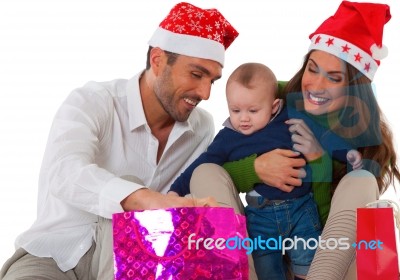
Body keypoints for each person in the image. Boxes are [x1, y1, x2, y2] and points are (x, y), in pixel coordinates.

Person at [0, 2, 239, 280]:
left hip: (134, 264)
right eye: (196, 75)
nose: (205, 93)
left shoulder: (200, 128)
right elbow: (63, 172)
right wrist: (144, 199)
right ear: (158, 60)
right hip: (53, 254)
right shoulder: (94, 101)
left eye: (213, 80)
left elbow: (198, 188)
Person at [188, 1, 400, 280]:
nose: (316, 85)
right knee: (205, 171)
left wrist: (318, 160)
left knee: (363, 180)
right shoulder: (267, 101)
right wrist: (256, 169)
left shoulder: (363, 139)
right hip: (260, 255)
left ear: (353, 89)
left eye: (334, 78)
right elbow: (223, 157)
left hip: (325, 256)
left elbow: (336, 225)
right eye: (312, 69)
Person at [169, 62, 363, 279]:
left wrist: (348, 154)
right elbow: (203, 163)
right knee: (266, 267)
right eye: (235, 110)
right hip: (260, 215)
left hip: (301, 209)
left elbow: (323, 135)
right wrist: (176, 190)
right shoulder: (228, 137)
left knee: (309, 262)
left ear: (273, 106)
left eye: (253, 111)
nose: (243, 118)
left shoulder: (290, 119)